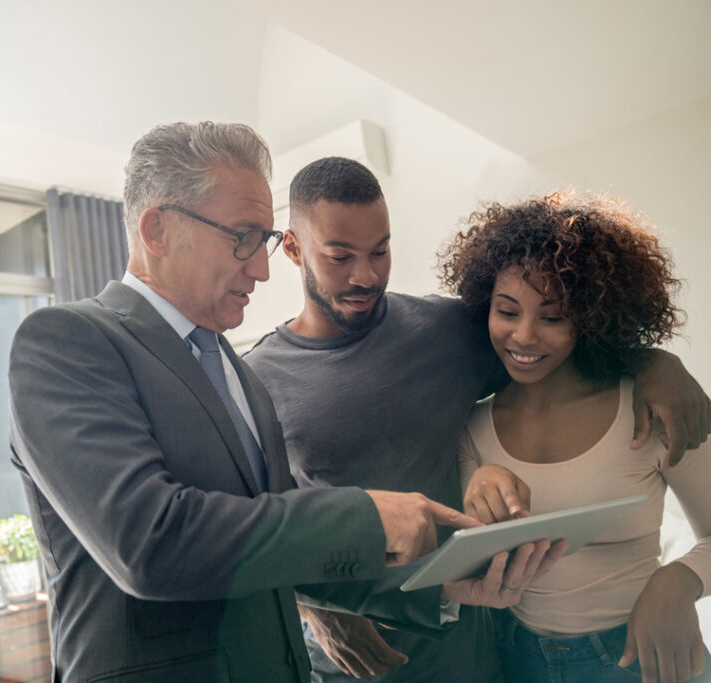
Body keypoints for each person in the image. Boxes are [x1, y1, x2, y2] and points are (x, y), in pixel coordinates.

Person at [8, 123, 561, 683]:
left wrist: (433, 585)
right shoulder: (65, 340)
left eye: (266, 240)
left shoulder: (236, 373)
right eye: (243, 237)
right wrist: (365, 516)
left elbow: (266, 557)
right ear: (158, 229)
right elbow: (150, 544)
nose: (263, 267)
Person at [243, 158, 711, 682]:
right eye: (339, 256)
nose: (366, 275)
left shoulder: (448, 328)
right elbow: (249, 531)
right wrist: (315, 606)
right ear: (292, 248)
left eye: (381, 250)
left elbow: (560, 344)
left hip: (478, 646)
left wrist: (656, 361)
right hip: (356, 656)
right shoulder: (254, 381)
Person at [441, 191, 710, 683]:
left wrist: (679, 579)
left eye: (552, 316)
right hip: (512, 657)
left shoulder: (652, 408)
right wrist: (477, 484)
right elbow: (465, 561)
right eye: (507, 311)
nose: (523, 336)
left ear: (591, 319)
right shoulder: (469, 427)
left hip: (640, 655)